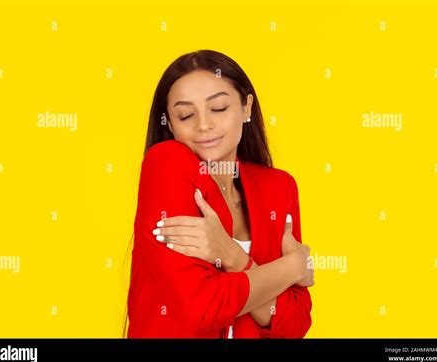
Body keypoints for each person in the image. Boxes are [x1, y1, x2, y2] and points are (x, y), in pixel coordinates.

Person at [127, 50, 314, 338]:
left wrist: (231, 255)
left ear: (246, 107)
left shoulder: (279, 187)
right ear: (170, 123)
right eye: (185, 114)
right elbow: (202, 310)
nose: (203, 125)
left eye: (219, 108)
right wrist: (292, 267)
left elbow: (293, 325)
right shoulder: (165, 165)